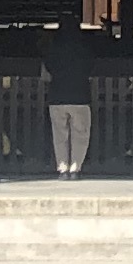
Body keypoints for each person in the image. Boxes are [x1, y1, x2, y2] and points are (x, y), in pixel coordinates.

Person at [39, 27, 94, 178]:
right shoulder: (84, 51)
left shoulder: (52, 52)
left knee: (60, 135)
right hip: (80, 97)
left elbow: (45, 75)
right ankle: (75, 168)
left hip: (57, 96)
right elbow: (90, 71)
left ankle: (62, 168)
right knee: (80, 134)